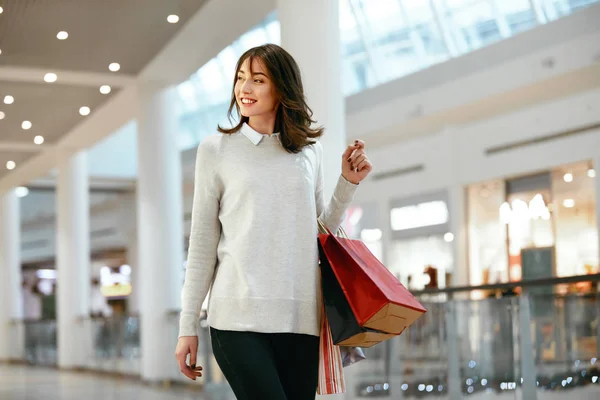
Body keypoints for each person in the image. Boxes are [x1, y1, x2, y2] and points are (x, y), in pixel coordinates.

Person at [174, 43, 373, 400]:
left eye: (257, 80)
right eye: (240, 78)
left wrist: (348, 184)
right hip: (236, 317)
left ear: (281, 87)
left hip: (300, 316)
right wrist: (187, 325)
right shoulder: (216, 150)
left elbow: (318, 230)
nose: (244, 89)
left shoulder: (309, 151)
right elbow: (202, 243)